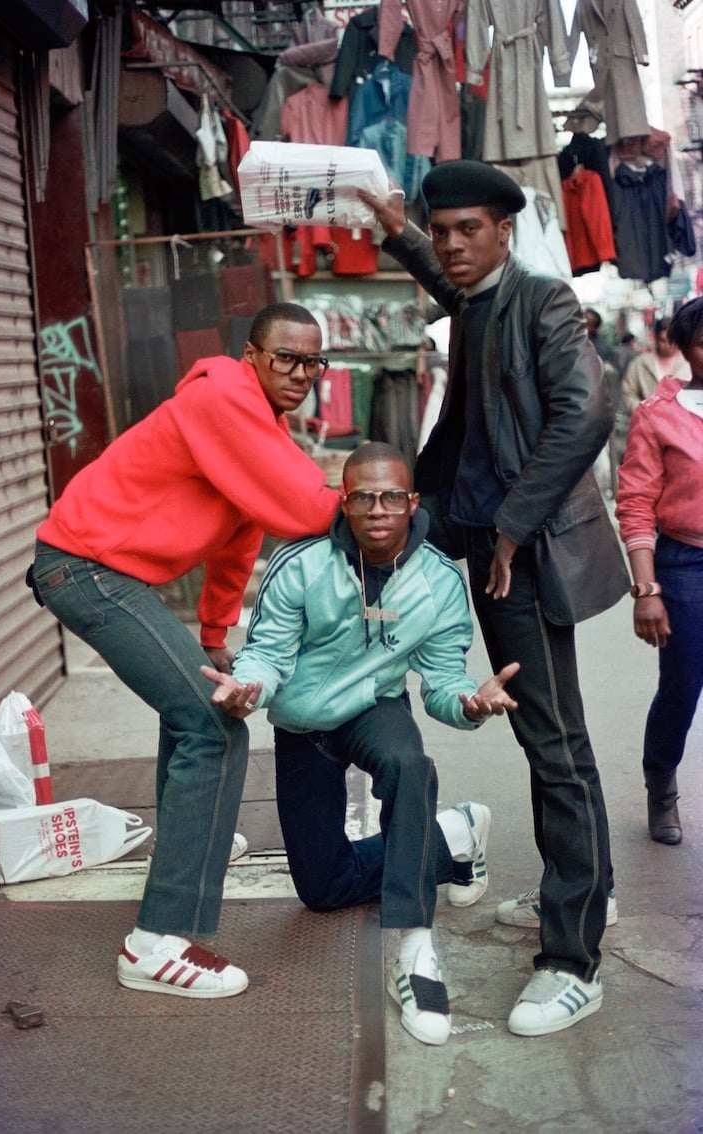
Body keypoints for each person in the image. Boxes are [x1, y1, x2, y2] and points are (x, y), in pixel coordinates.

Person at [360, 159, 629, 1037]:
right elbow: (449, 277)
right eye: (440, 232)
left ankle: (573, 958)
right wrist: (401, 231)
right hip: (470, 535)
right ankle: (586, 895)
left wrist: (511, 527)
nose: (451, 247)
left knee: (552, 739)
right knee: (546, 732)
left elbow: (585, 414)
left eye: (466, 230)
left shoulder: (544, 302)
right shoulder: (477, 299)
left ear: (504, 232)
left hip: (523, 551)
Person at [26, 302, 342, 1000]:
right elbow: (301, 507)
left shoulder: (260, 422)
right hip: (84, 568)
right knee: (213, 722)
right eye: (285, 357)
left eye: (313, 361)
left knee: (196, 704)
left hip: (106, 571)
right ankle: (155, 943)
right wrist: (380, 498)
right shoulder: (225, 397)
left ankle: (189, 844)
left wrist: (211, 636)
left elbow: (244, 535)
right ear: (252, 357)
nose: (300, 372)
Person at [201, 441, 518, 1046]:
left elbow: (443, 679)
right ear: (343, 503)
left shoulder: (441, 579)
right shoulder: (300, 565)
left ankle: (417, 953)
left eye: (392, 496)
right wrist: (249, 687)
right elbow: (268, 652)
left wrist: (470, 705)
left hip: (376, 707)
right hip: (301, 725)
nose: (379, 508)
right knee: (321, 890)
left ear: (412, 501)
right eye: (364, 497)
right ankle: (452, 835)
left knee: (409, 765)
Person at [615, 296, 703, 846]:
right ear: (684, 347)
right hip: (685, 561)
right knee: (682, 684)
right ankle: (661, 785)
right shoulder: (659, 414)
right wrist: (646, 588)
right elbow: (636, 503)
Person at [621, 316, 691, 413]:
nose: (669, 345)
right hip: (646, 422)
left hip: (683, 423)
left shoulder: (689, 363)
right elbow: (628, 393)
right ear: (656, 338)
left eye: (673, 341)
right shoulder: (639, 363)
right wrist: (644, 411)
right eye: (663, 340)